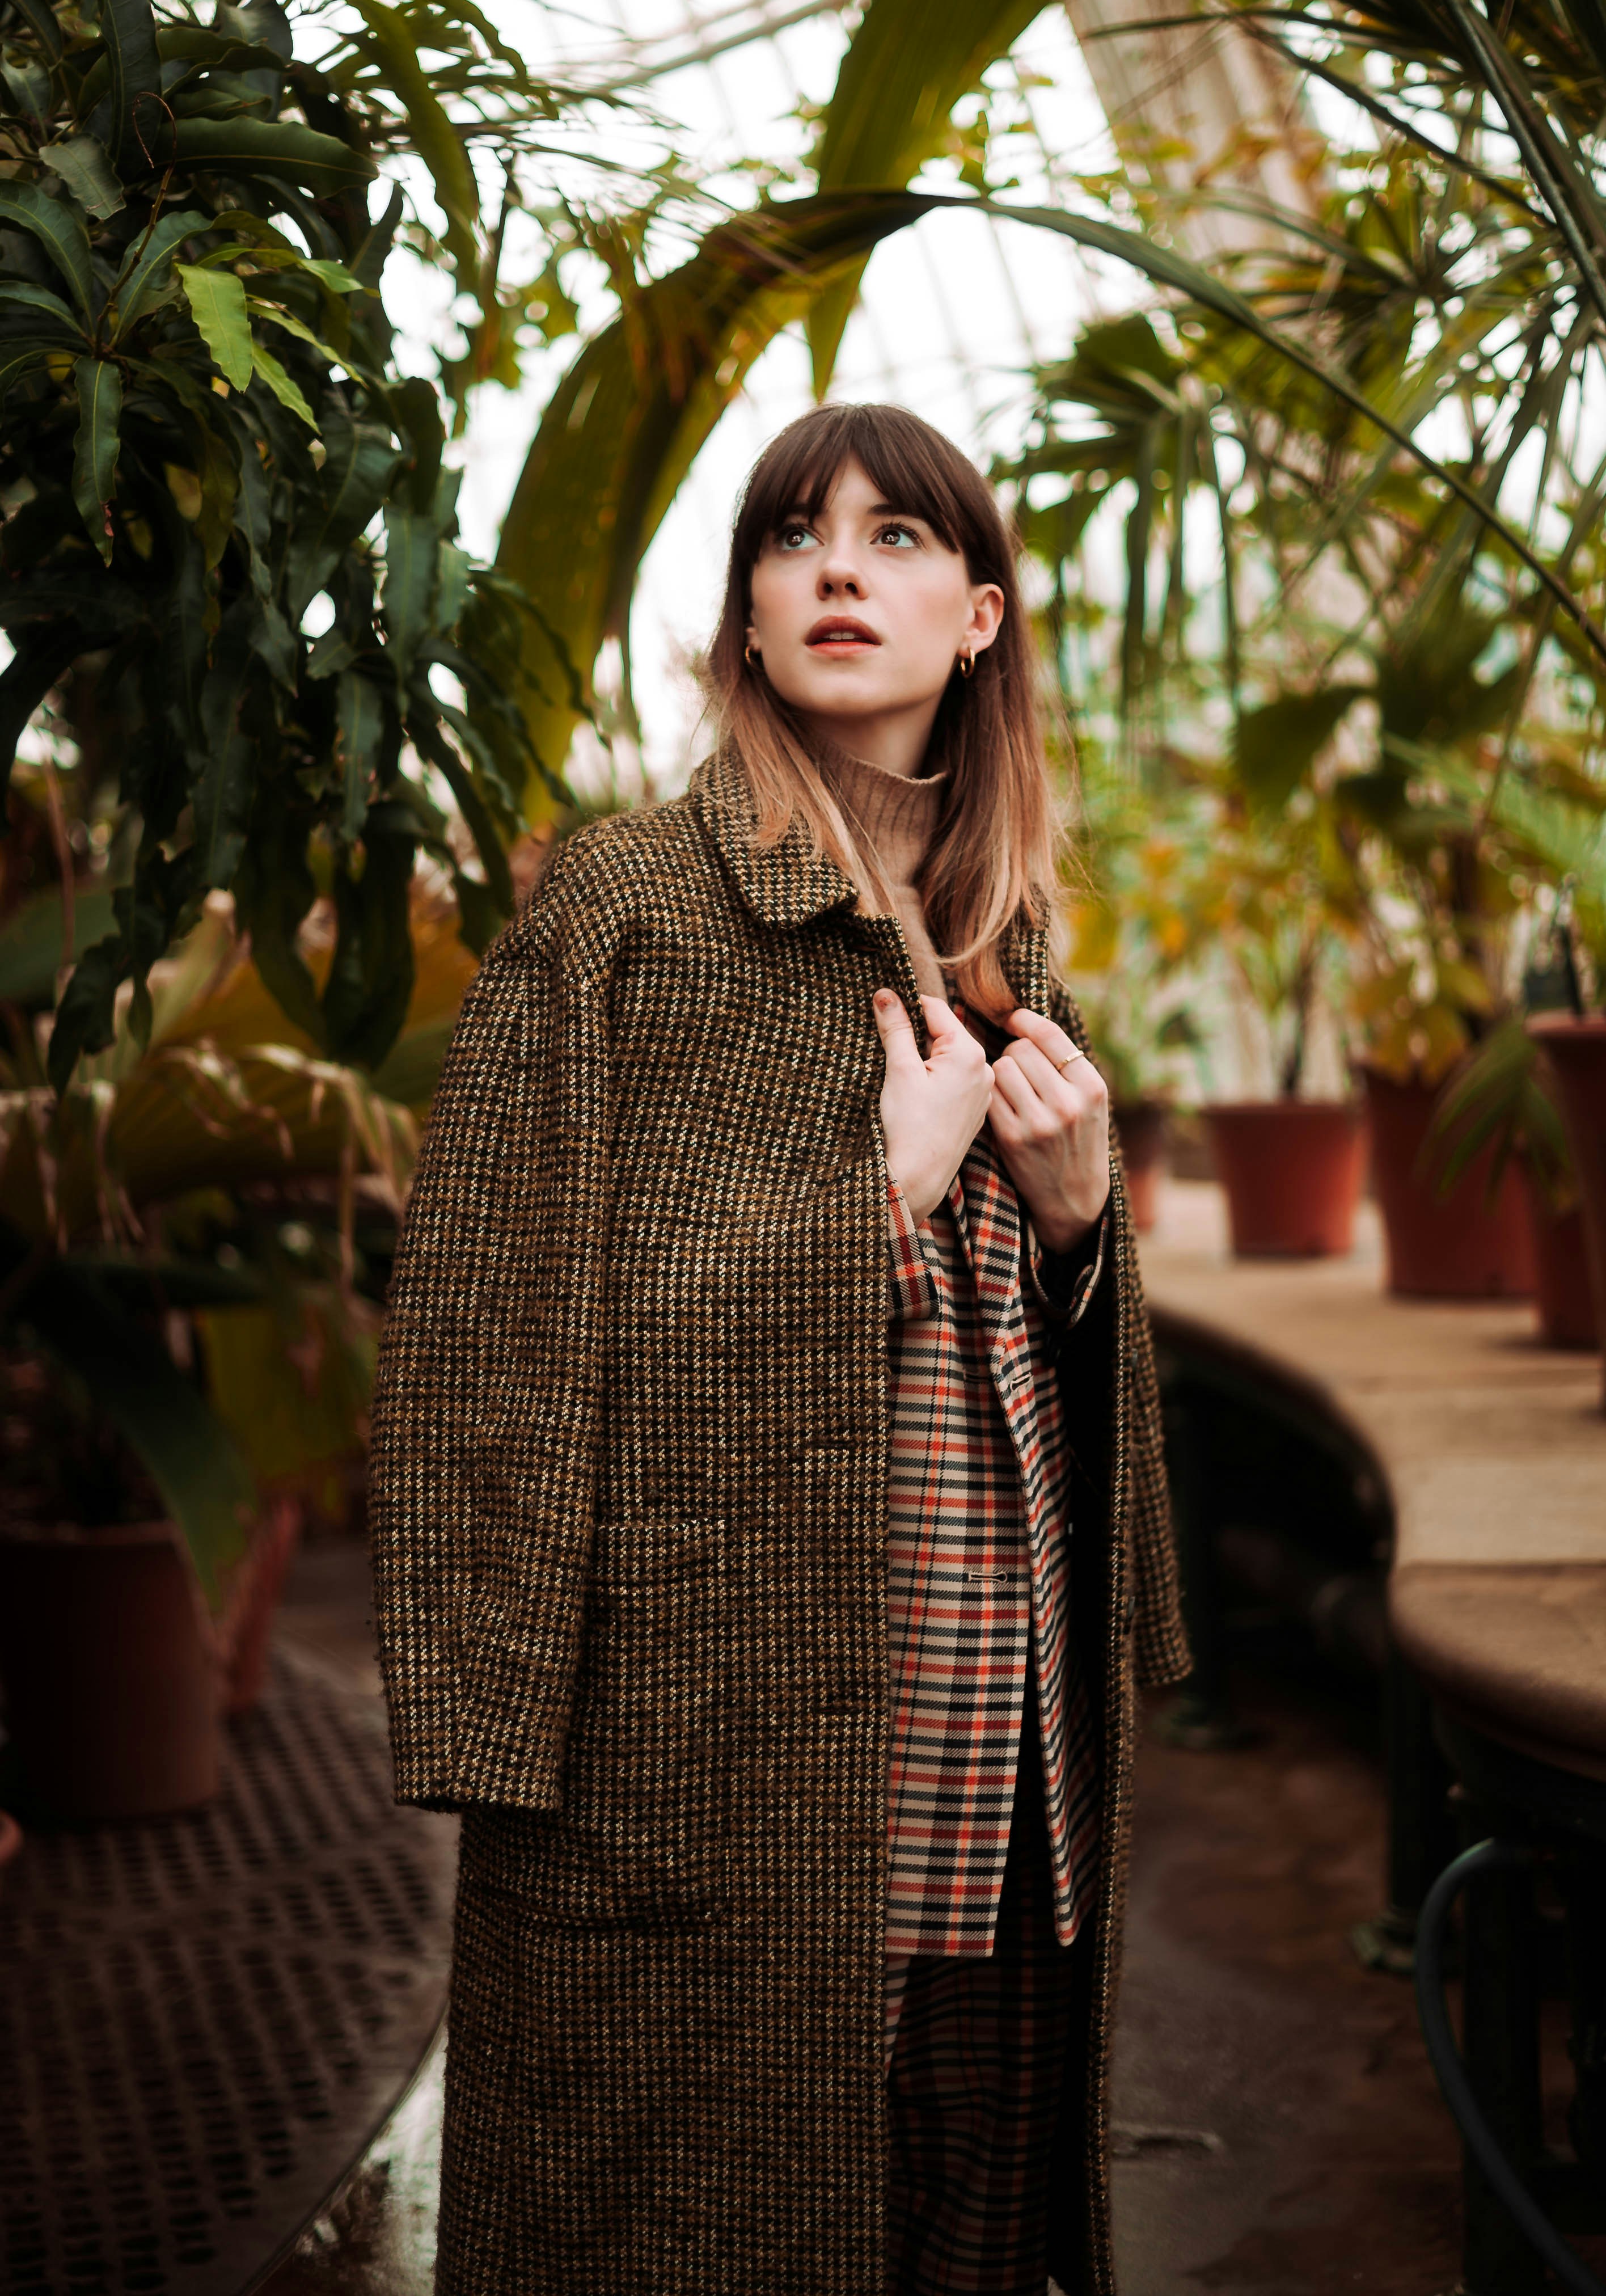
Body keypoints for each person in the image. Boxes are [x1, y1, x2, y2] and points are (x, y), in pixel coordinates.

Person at [369, 402, 1190, 2296]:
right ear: (745, 618)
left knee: (971, 2217)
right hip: (720, 1737)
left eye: (899, 537)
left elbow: (1051, 1373)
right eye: (795, 537)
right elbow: (488, 1344)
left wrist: (1079, 1225)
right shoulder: (624, 916)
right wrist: (869, 1204)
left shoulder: (1013, 941)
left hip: (1002, 1717)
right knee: (703, 2222)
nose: (840, 567)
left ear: (979, 617)